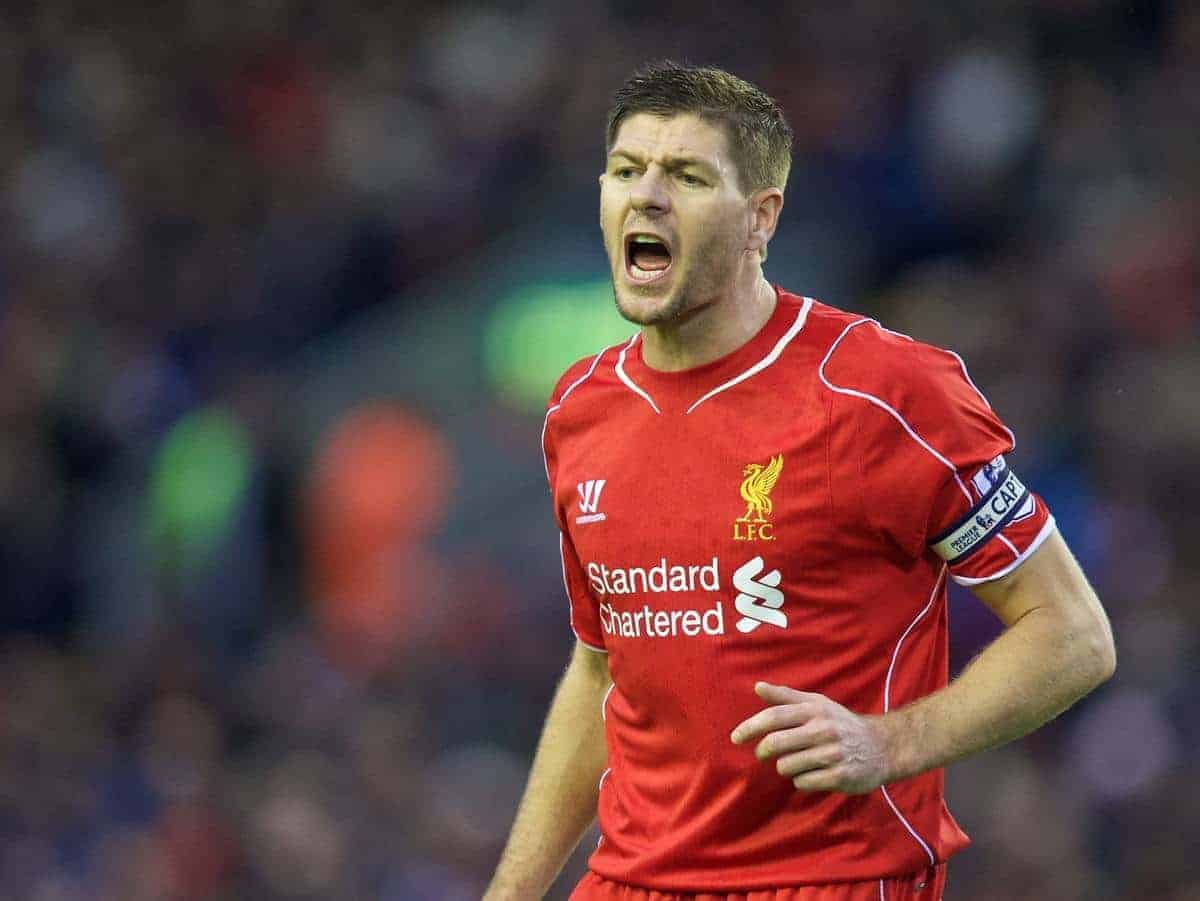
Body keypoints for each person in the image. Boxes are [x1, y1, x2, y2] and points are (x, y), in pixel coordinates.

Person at [484, 62, 1115, 901]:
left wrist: (887, 744)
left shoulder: (883, 393)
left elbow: (1072, 633)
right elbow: (601, 671)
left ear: (760, 219)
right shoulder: (582, 409)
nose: (647, 197)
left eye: (688, 176)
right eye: (628, 170)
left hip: (828, 881)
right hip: (631, 881)